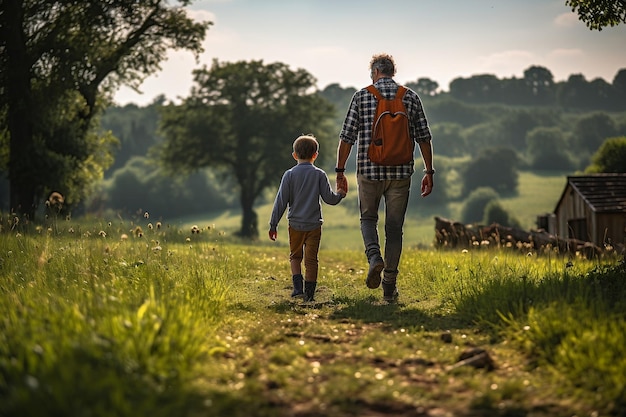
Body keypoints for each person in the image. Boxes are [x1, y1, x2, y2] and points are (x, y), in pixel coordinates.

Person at [335, 53, 434, 302]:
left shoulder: (362, 96)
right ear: (392, 71)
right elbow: (424, 137)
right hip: (401, 173)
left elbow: (347, 137)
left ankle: (374, 258)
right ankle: (389, 285)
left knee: (368, 218)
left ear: (376, 72)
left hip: (369, 171)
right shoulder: (410, 97)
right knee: (394, 229)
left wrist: (339, 171)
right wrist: (428, 172)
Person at [269, 134, 347, 302]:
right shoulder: (319, 174)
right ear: (315, 155)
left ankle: (297, 288)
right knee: (311, 260)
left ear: (294, 155)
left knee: (295, 256)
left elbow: (281, 201)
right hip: (314, 225)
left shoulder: (289, 175)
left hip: (295, 224)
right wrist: (340, 194)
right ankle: (309, 295)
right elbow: (329, 199)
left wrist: (273, 224)